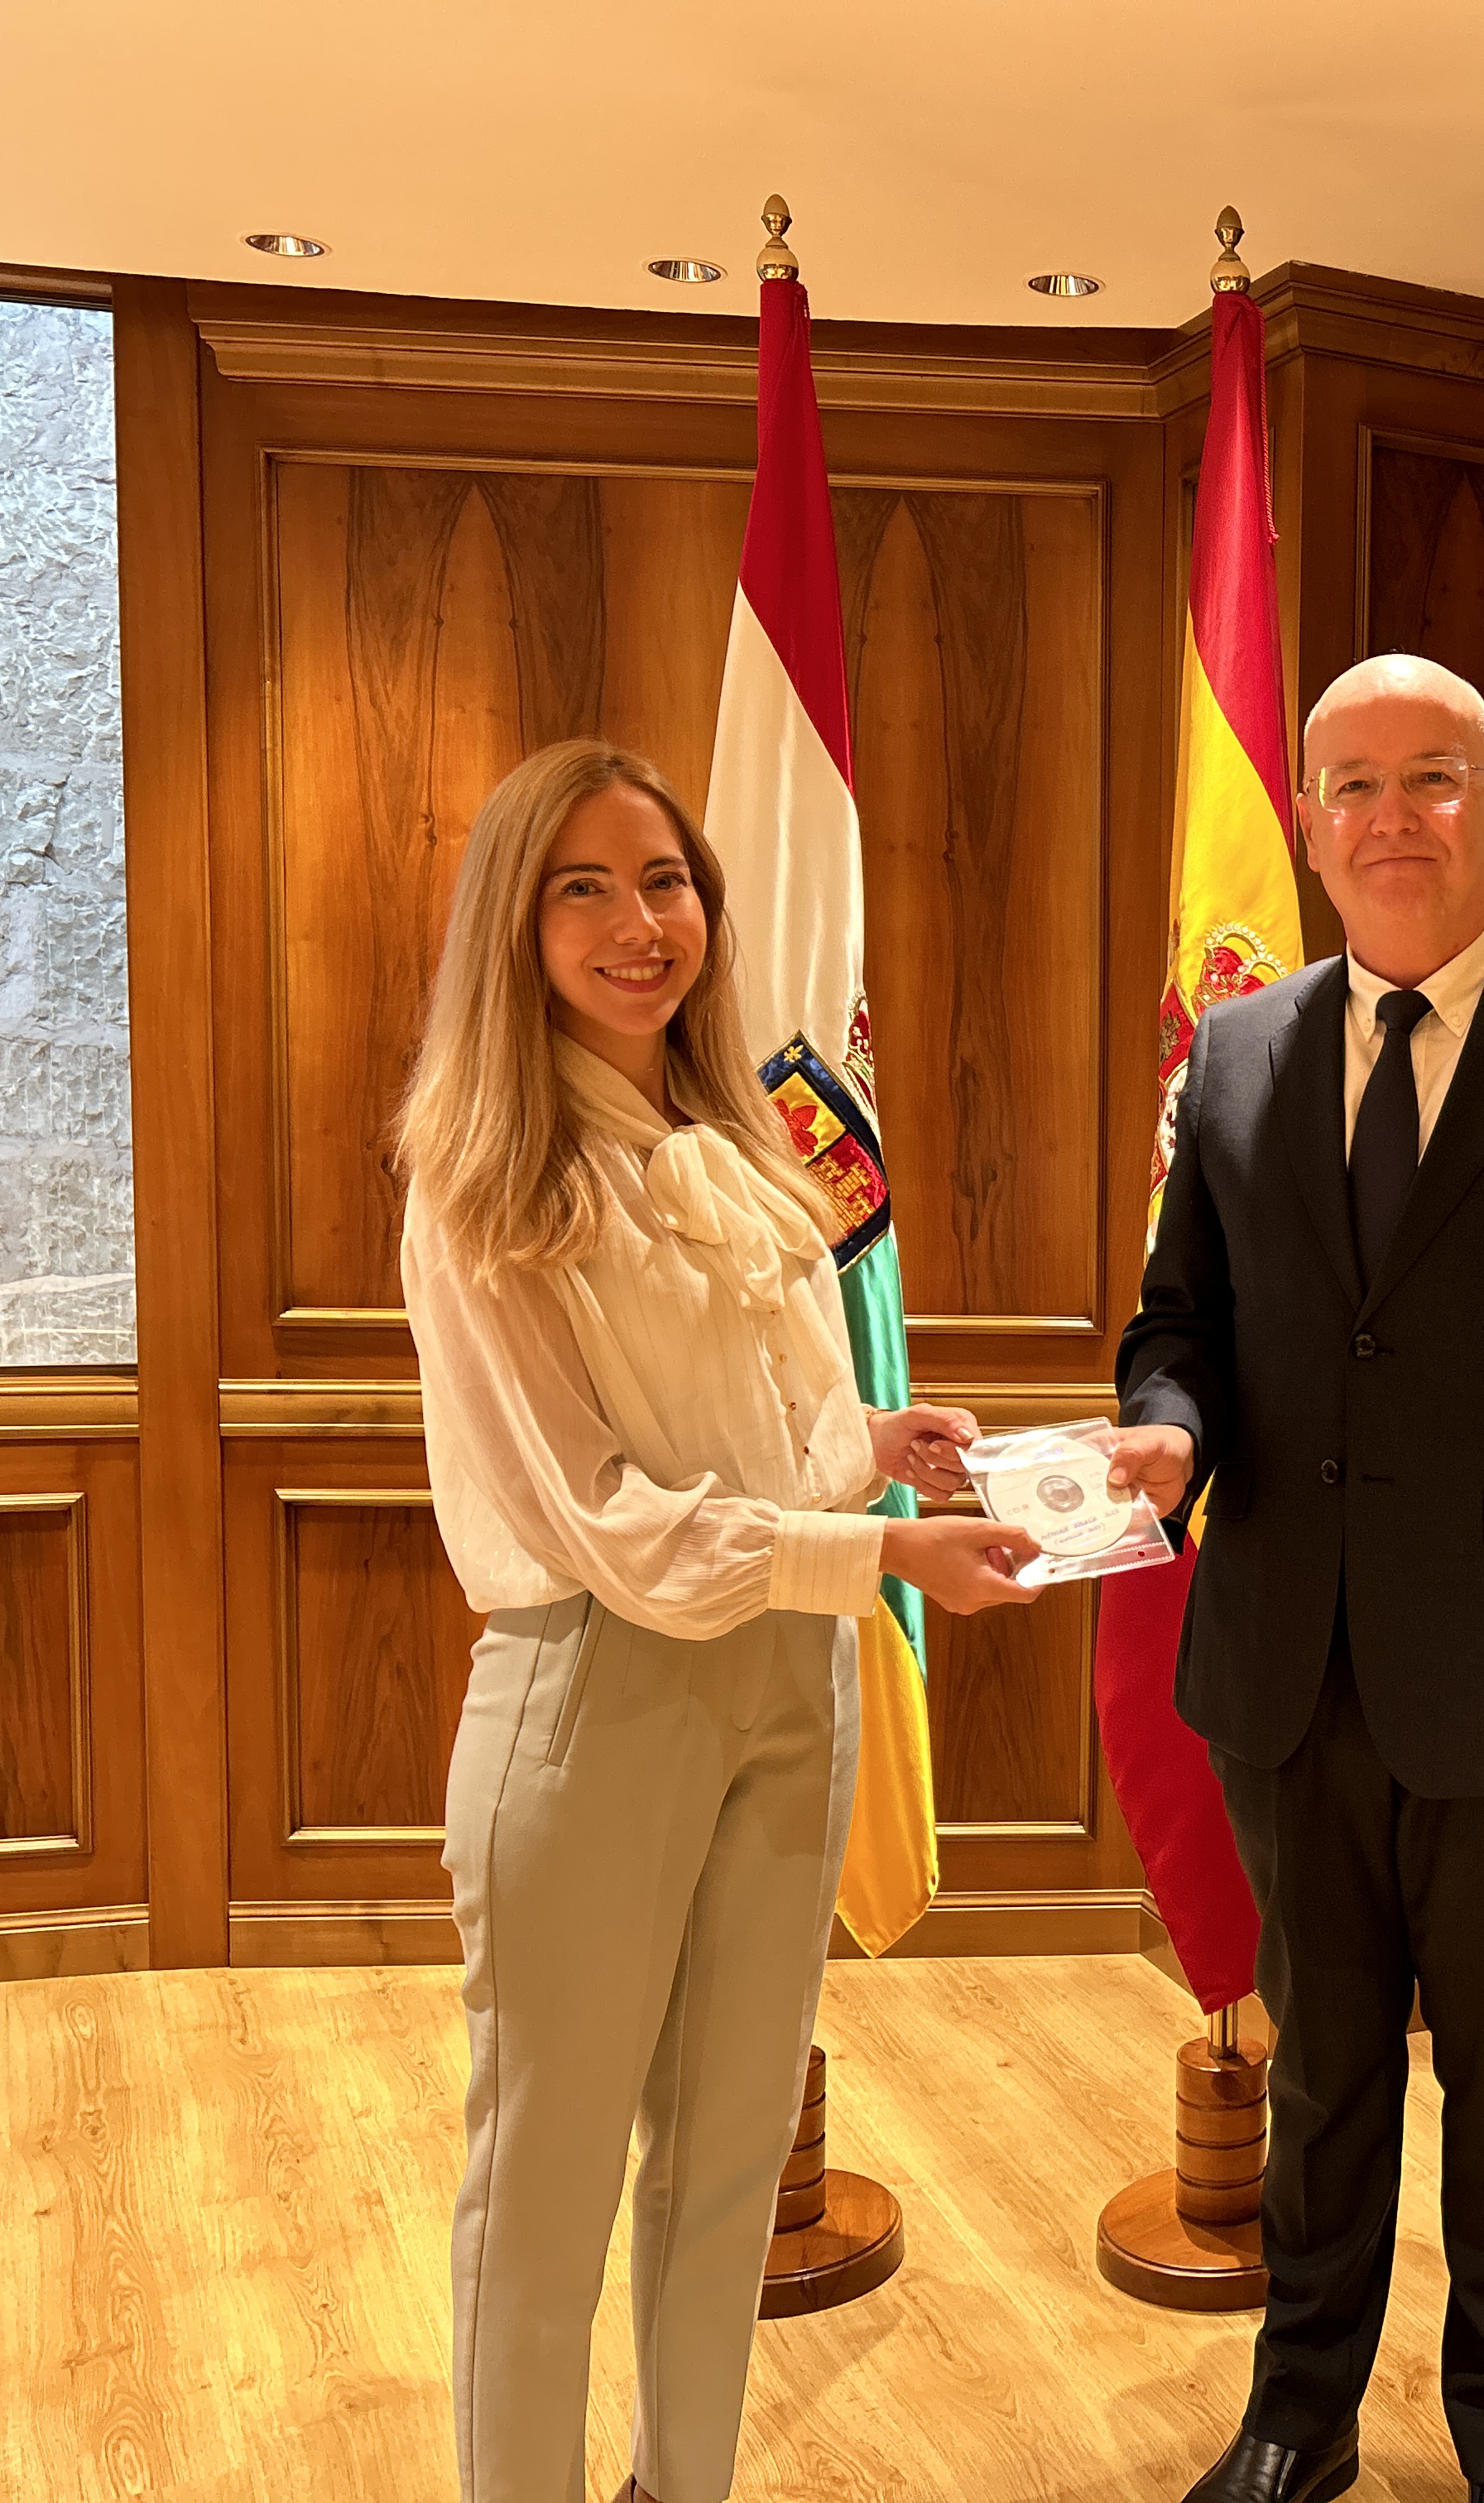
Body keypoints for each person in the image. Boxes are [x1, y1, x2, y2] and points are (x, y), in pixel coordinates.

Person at [395, 737, 1040, 2503]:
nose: (639, 924)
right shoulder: (487, 1180)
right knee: (548, 2184)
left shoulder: (739, 1145)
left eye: (665, 881)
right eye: (585, 888)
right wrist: (884, 1559)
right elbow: (608, 1519)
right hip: (598, 1694)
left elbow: (755, 1435)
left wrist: (875, 1447)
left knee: (730, 2162)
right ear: (515, 925)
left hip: (789, 1674)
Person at [1110, 656, 1484, 2503]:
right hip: (1286, 1669)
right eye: (1355, 784)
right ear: (1306, 822)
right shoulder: (1235, 1054)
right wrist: (1168, 1433)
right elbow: (1179, 1325)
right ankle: (1300, 2417)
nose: (1393, 817)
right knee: (1326, 2074)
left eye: (1432, 778)